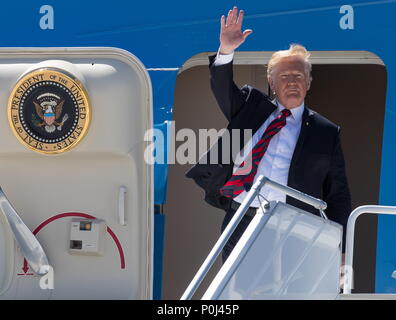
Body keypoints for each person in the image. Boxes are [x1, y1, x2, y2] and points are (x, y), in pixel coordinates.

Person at [186, 7, 351, 262]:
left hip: (293, 226)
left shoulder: (325, 131)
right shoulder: (251, 106)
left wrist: (340, 245)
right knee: (236, 290)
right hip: (242, 217)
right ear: (272, 82)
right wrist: (227, 50)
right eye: (284, 76)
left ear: (308, 83)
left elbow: (337, 193)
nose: (292, 82)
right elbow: (222, 89)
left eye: (299, 76)